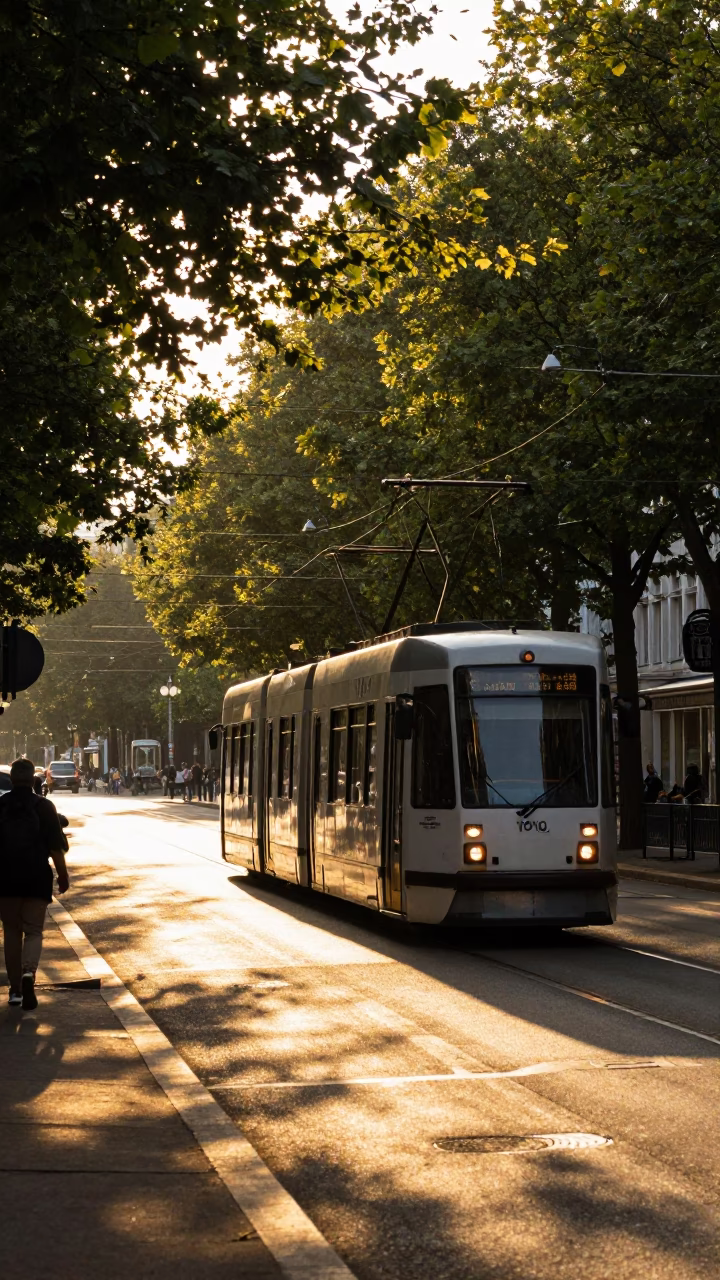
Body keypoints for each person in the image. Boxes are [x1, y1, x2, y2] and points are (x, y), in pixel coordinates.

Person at [0, 757, 69, 1009]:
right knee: (34, 931)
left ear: (11, 779)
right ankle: (29, 973)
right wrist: (62, 876)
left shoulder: (1, 805)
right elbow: (55, 847)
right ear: (33, 779)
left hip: (5, 879)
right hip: (36, 877)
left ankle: (15, 990)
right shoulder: (44, 807)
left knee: (11, 932)